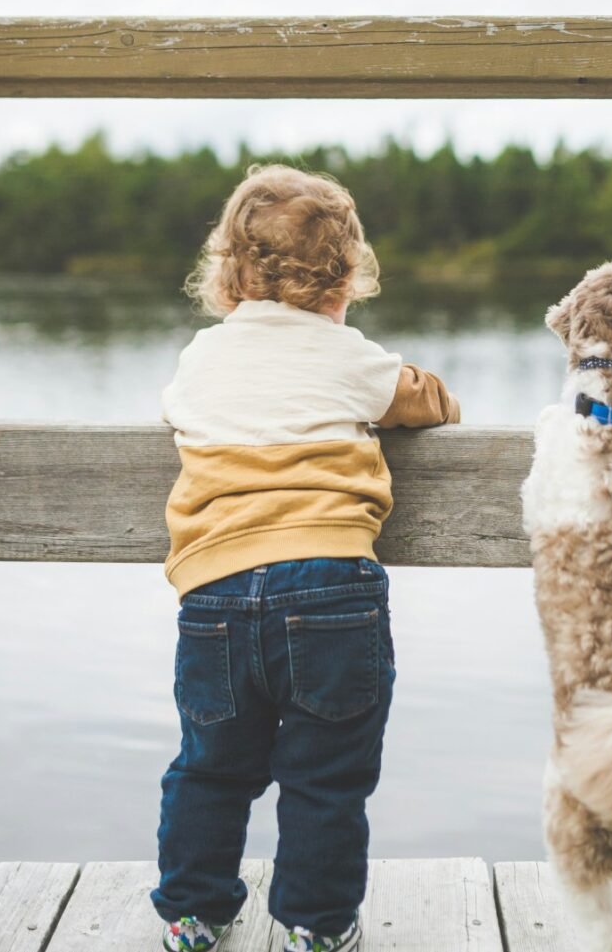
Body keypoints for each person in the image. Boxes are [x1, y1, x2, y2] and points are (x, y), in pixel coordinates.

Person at [151, 164, 460, 952]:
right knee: (327, 777)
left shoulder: (200, 359)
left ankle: (195, 912)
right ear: (345, 279)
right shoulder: (351, 357)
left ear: (227, 276)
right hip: (330, 586)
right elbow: (428, 402)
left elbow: (177, 408)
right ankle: (315, 928)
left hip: (215, 593)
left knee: (211, 764)